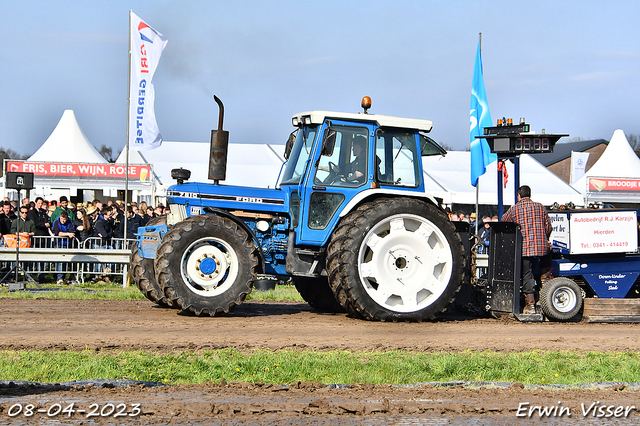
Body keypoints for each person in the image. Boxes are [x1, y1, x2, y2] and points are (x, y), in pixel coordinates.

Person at [502, 185, 552, 315]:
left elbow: (503, 221)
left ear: (518, 196)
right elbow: (548, 227)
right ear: (529, 194)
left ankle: (530, 305)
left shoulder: (514, 209)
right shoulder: (540, 206)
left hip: (525, 248)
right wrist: (544, 239)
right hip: (542, 246)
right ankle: (546, 287)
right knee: (545, 263)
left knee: (526, 273)